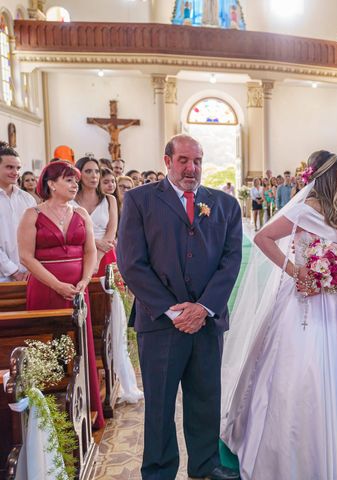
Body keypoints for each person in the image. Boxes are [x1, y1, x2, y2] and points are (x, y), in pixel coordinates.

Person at [220, 151, 337, 479]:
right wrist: (295, 271)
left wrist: (333, 272)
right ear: (330, 176)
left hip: (334, 301)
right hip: (303, 302)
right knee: (299, 370)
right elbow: (263, 237)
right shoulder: (306, 209)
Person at [117, 134, 242, 480]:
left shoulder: (225, 205)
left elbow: (230, 262)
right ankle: (158, 470)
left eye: (198, 161)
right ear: (167, 161)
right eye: (184, 160)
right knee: (159, 404)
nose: (192, 168)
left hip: (207, 322)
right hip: (160, 323)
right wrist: (174, 311)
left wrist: (202, 308)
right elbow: (131, 263)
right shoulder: (140, 201)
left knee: (205, 399)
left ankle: (205, 465)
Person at [17, 161, 105, 429]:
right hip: (45, 289)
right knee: (49, 349)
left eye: (75, 180)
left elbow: (90, 251)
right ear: (51, 184)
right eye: (68, 179)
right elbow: (26, 257)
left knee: (80, 347)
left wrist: (85, 280)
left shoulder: (81, 214)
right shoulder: (32, 214)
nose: (74, 184)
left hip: (77, 290)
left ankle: (86, 410)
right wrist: (56, 284)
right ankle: (51, 420)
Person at [73, 157, 118, 277]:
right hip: (78, 253)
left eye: (97, 171)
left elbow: (111, 232)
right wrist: (95, 242)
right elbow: (68, 232)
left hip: (105, 253)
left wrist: (97, 259)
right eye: (88, 171)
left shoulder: (109, 199)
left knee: (110, 294)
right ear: (78, 174)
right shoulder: (69, 201)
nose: (94, 175)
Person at [0, 143, 37, 282]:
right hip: (2, 276)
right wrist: (14, 271)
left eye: (18, 168)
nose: (15, 172)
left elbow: (36, 236)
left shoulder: (27, 199)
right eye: (9, 167)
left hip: (29, 274)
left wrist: (31, 268)